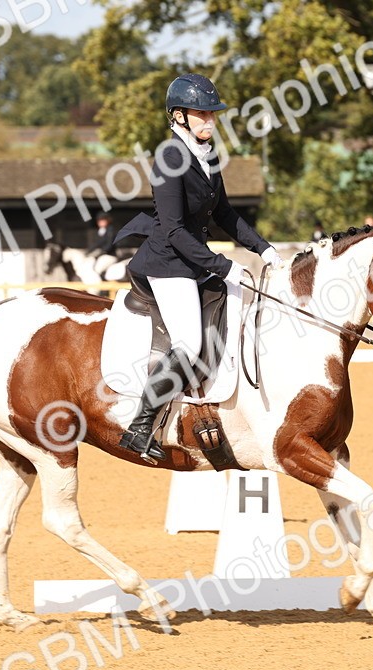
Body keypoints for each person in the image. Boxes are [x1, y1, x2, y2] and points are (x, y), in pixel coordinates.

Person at [114, 73, 282, 461]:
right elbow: (174, 230)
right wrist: (223, 266)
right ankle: (140, 427)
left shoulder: (207, 155)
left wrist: (264, 249)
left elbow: (224, 213)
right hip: (168, 263)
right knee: (188, 344)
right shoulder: (169, 158)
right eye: (201, 114)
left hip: (193, 260)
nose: (210, 120)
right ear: (179, 116)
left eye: (212, 113)